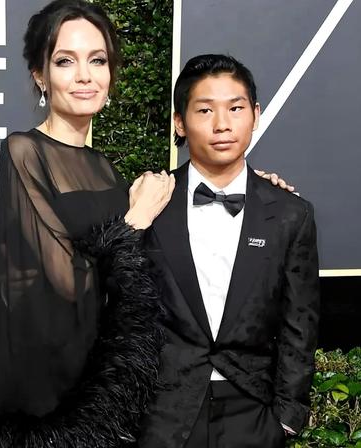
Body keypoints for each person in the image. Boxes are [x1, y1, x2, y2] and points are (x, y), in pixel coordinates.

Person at [0, 1, 176, 446]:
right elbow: (63, 279)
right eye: (65, 61)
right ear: (40, 75)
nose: (85, 76)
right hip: (49, 395)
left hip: (105, 384)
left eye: (97, 60)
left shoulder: (105, 167)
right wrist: (136, 218)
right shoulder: (23, 151)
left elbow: (132, 275)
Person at [135, 54, 320, 448]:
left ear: (254, 114)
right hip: (163, 413)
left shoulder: (291, 213)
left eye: (235, 108)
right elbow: (122, 314)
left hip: (253, 411)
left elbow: (299, 325)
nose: (222, 124)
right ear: (180, 121)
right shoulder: (148, 202)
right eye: (204, 110)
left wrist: (287, 419)